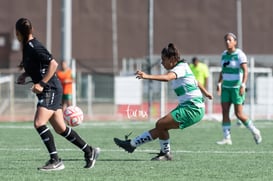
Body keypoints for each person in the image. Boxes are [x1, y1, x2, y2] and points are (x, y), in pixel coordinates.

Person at [15, 18, 100, 171]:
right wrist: (25, 75)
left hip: (50, 89)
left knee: (39, 123)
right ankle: (89, 151)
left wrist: (41, 84)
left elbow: (53, 64)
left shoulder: (35, 46)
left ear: (18, 33)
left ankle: (55, 160)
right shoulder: (27, 46)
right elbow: (37, 65)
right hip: (50, 89)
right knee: (61, 128)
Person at [114, 43, 213, 160]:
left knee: (160, 124)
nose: (162, 63)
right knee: (161, 127)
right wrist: (206, 93)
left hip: (192, 108)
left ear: (172, 59)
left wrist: (146, 76)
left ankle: (162, 152)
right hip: (189, 106)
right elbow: (196, 81)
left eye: (163, 59)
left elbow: (167, 78)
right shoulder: (183, 67)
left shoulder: (180, 68)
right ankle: (132, 145)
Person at [216, 32, 262, 145]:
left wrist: (243, 85)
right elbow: (223, 70)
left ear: (235, 42)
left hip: (236, 88)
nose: (227, 42)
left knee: (239, 114)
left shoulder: (240, 55)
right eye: (226, 40)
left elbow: (245, 71)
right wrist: (219, 83)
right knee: (225, 112)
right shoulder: (223, 55)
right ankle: (227, 138)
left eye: (229, 40)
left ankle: (255, 131)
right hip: (226, 88)